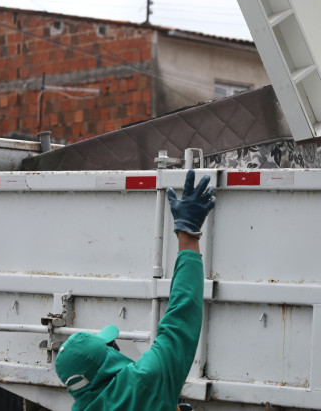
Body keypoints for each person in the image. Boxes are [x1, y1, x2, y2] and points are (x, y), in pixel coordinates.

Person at [55, 170, 216, 410]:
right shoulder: (144, 381)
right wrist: (188, 234)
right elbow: (181, 320)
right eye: (109, 346)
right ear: (107, 359)